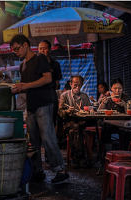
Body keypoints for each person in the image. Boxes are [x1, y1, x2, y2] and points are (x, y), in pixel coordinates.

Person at [10, 34, 69, 183]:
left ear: (25, 44)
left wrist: (26, 86)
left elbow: (47, 78)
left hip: (44, 104)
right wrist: (18, 89)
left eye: (17, 49)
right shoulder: (23, 64)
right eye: (14, 51)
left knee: (48, 138)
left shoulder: (40, 58)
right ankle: (37, 170)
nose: (16, 52)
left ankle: (60, 170)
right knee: (33, 142)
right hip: (30, 106)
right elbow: (26, 86)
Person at [58, 75, 92, 169]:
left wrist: (88, 112)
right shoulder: (64, 96)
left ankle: (76, 158)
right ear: (71, 84)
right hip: (69, 122)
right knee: (75, 128)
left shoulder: (84, 96)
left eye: (79, 85)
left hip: (82, 122)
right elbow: (60, 113)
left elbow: (89, 110)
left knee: (77, 128)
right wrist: (67, 112)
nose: (77, 88)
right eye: (75, 85)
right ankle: (80, 158)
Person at [99, 78, 130, 158]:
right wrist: (103, 103)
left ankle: (125, 154)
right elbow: (99, 111)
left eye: (120, 88)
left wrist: (124, 105)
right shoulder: (107, 97)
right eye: (115, 88)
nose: (117, 91)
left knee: (127, 132)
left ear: (123, 88)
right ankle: (109, 154)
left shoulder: (125, 97)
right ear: (111, 88)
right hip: (110, 122)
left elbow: (130, 112)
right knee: (105, 129)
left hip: (122, 123)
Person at [38, 40, 63, 125]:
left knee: (51, 119)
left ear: (50, 50)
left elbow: (57, 83)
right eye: (40, 48)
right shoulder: (35, 64)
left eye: (45, 48)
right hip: (38, 93)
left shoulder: (55, 64)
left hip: (51, 93)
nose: (42, 50)